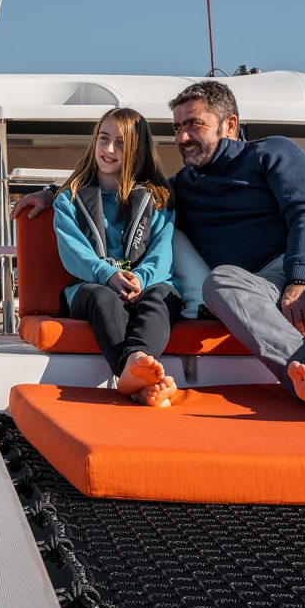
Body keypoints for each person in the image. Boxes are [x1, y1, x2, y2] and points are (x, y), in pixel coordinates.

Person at [13, 81, 305, 424]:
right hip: (260, 281)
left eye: (195, 125)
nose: (184, 137)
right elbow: (110, 185)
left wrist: (301, 279)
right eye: (177, 128)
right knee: (219, 282)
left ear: (230, 125)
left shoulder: (273, 152)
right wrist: (50, 192)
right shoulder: (180, 189)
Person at [52, 108, 183, 405]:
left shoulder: (159, 199)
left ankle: (137, 370)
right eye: (104, 138)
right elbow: (73, 253)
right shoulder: (69, 198)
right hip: (90, 286)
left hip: (148, 283)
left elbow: (162, 253)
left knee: (162, 297)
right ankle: (132, 371)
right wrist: (108, 275)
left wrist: (141, 278)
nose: (109, 149)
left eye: (121, 143)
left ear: (138, 150)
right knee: (103, 297)